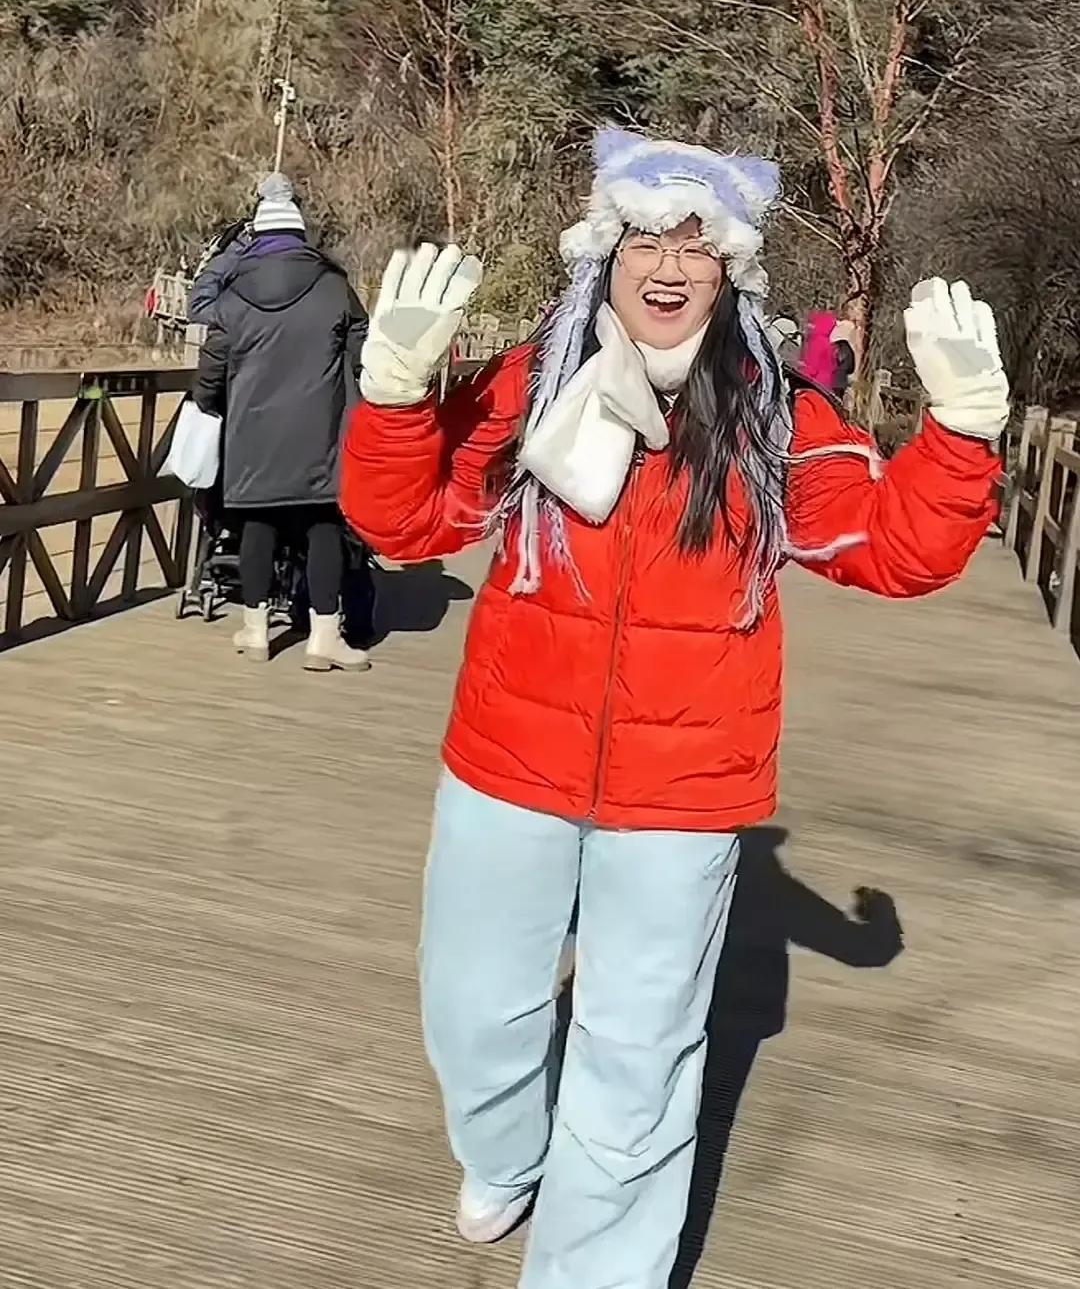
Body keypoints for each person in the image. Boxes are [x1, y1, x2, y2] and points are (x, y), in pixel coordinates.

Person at [339, 128, 1009, 1289]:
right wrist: (394, 396)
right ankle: (504, 1153)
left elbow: (891, 547)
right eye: (647, 237)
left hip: (685, 793)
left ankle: (595, 1270)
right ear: (607, 251)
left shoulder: (775, 413)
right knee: (474, 1007)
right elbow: (410, 522)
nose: (668, 263)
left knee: (638, 1051)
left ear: (730, 270)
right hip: (508, 758)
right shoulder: (531, 381)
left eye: (697, 245)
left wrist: (960, 437)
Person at [193, 173, 370, 671]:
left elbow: (214, 361)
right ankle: (323, 638)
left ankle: (255, 632)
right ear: (301, 235)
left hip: (252, 430)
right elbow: (362, 352)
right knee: (323, 526)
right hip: (321, 429)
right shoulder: (333, 286)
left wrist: (205, 402)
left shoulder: (232, 294)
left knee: (258, 522)